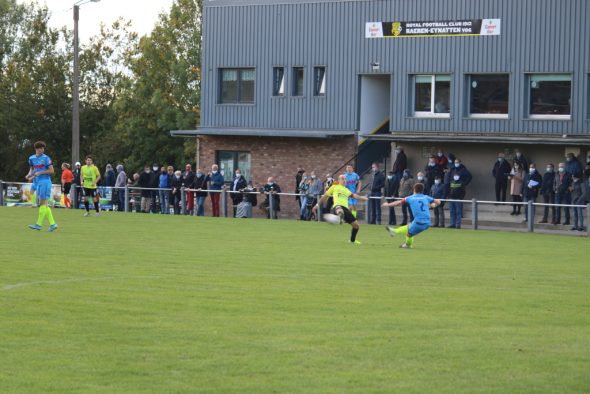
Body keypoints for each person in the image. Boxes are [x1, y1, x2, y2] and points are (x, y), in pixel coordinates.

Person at [313, 174, 368, 244]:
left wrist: (363, 198)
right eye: (342, 178)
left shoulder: (347, 190)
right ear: (338, 180)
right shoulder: (334, 187)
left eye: (345, 179)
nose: (344, 180)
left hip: (346, 209)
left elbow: (354, 196)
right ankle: (339, 217)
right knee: (340, 210)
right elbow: (325, 196)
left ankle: (352, 241)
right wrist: (317, 205)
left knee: (356, 226)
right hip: (337, 206)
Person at [383, 183, 441, 249]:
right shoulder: (426, 197)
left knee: (409, 234)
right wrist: (433, 205)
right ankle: (394, 231)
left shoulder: (410, 198)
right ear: (422, 190)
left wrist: (387, 204)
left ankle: (407, 245)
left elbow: (397, 203)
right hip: (427, 221)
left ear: (414, 189)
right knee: (409, 226)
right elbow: (439, 201)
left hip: (420, 222)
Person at [26, 141, 58, 231]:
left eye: (43, 148)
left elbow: (51, 171)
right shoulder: (31, 158)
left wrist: (41, 172)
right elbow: (32, 169)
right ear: (36, 149)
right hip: (37, 182)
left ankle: (38, 224)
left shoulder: (46, 158)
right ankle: (53, 224)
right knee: (45, 205)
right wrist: (29, 175)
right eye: (41, 148)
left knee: (42, 203)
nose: (43, 150)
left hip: (45, 182)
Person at [446, 158, 472, 229]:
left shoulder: (463, 170)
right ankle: (452, 224)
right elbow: (448, 185)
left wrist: (465, 183)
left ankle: (458, 224)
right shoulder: (452, 170)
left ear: (460, 162)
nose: (456, 163)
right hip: (451, 197)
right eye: (455, 162)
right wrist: (448, 195)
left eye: (457, 162)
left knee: (458, 211)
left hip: (458, 197)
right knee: (452, 211)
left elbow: (469, 177)